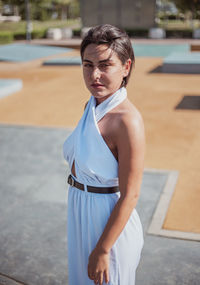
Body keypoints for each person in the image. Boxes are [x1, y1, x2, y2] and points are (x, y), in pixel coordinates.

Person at [63, 24, 145, 285]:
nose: (94, 75)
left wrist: (103, 249)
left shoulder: (127, 121)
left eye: (105, 65)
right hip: (80, 212)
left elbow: (130, 195)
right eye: (87, 65)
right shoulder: (91, 105)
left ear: (126, 67)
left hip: (108, 224)